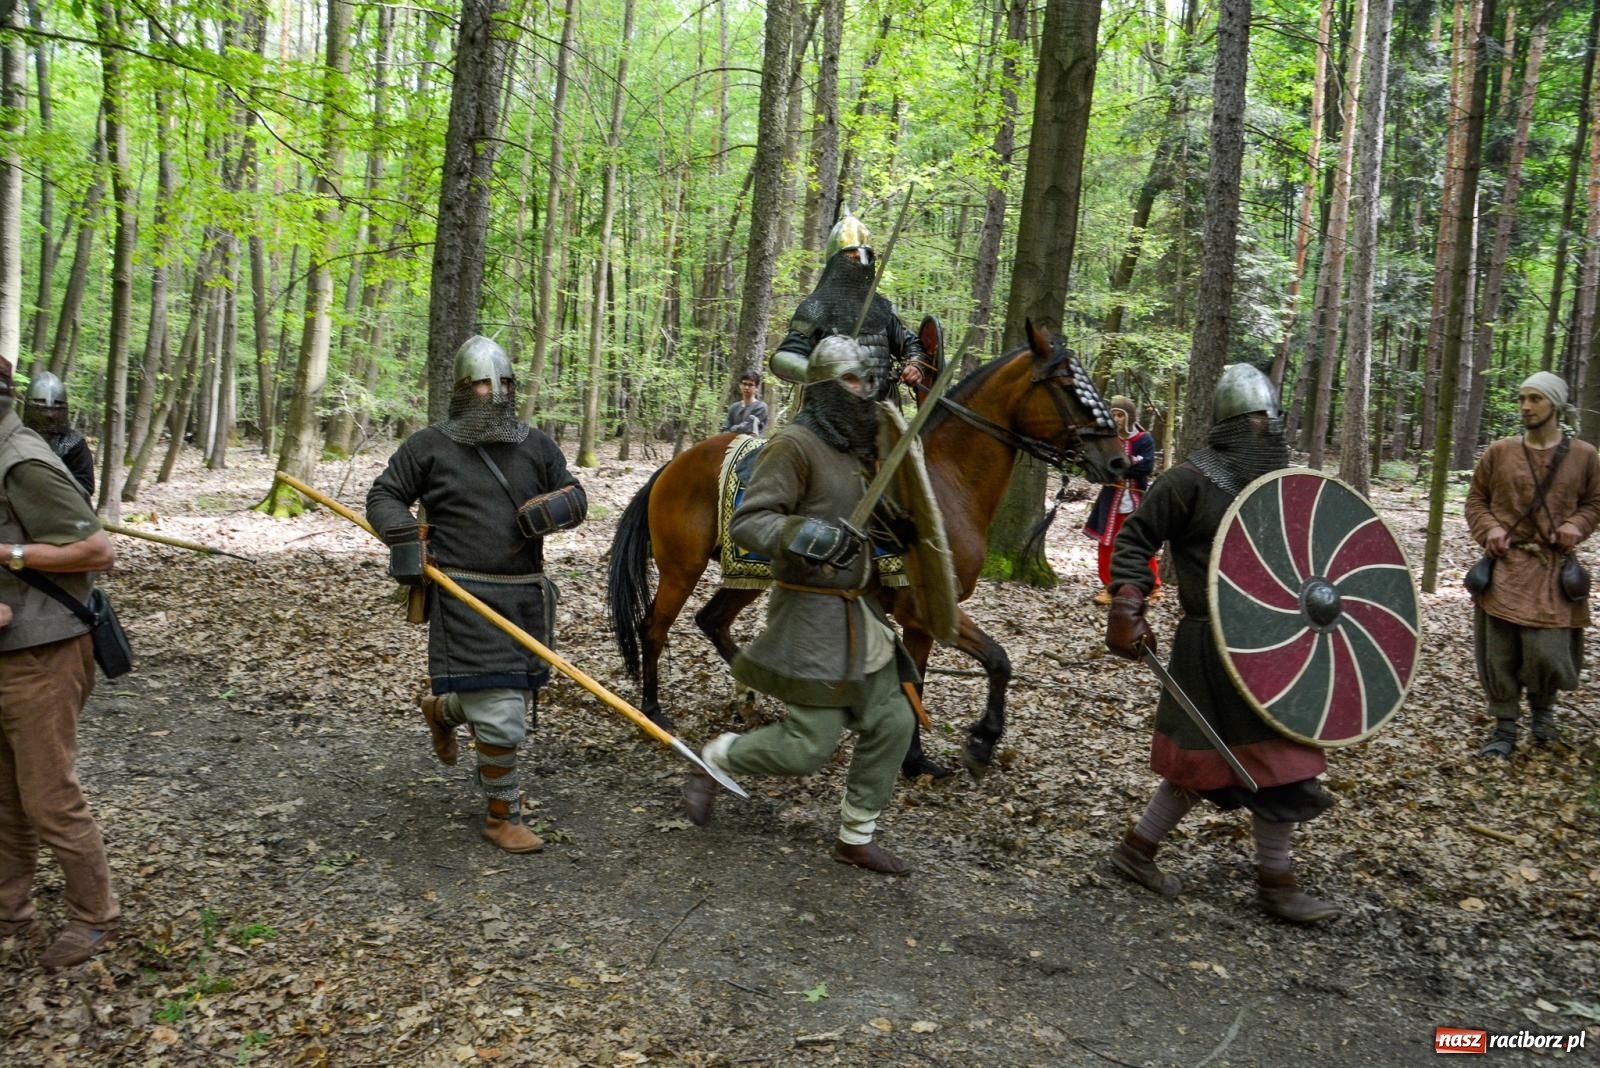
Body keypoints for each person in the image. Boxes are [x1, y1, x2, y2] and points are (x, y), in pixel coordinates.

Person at [1103, 363, 1339, 924]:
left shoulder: (1279, 485)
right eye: (1257, 417)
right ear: (1233, 424)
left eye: (1271, 417)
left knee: (1209, 761)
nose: (1267, 426)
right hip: (1212, 644)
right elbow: (1136, 538)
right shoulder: (1188, 481)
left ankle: (1136, 852)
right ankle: (1276, 883)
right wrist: (1126, 604)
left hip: (1275, 642)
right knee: (1277, 762)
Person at [682, 336, 921, 875]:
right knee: (807, 747)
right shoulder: (792, 444)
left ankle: (855, 837)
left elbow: (857, 516)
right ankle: (714, 760)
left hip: (860, 616)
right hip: (810, 616)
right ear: (825, 389)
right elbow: (750, 522)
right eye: (853, 381)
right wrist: (807, 534)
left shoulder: (861, 446)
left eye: (866, 380)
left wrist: (894, 526)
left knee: (894, 720)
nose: (865, 391)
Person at [367, 336, 589, 855]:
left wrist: (556, 508)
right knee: (501, 710)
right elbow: (385, 495)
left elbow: (576, 493)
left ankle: (441, 710)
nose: (496, 392)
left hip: (524, 596)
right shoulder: (428, 446)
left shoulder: (536, 445)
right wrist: (405, 538)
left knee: (503, 690)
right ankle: (500, 817)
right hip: (461, 593)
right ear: (464, 389)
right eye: (485, 383)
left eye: (504, 382)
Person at [0, 355, 121, 968]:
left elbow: (97, 549)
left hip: (43, 653)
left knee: (47, 795)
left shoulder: (23, 459)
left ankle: (94, 916)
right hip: (9, 648)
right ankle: (9, 910)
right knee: (4, 794)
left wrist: (11, 555)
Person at [1465, 372, 1600, 757]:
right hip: (1506, 567)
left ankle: (1543, 715)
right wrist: (1489, 528)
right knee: (1500, 651)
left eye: (1535, 399)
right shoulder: (1499, 452)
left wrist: (1577, 524)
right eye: (1522, 398)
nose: (1525, 406)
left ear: (1554, 405)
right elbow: (1476, 500)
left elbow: (1595, 502)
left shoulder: (1584, 456)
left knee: (1548, 651)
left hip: (1554, 571)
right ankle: (1504, 726)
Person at [768, 209, 937, 401]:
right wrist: (821, 373)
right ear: (836, 262)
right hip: (831, 411)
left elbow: (912, 345)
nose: (861, 264)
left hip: (881, 409)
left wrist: (915, 365)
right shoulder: (817, 306)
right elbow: (784, 358)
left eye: (865, 257)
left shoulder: (881, 308)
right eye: (853, 258)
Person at [1084, 396, 1161, 606]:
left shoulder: (1144, 440)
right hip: (1111, 502)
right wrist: (1123, 466)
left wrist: (1119, 467)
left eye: (1120, 415)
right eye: (1114, 415)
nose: (1116, 419)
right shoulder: (1109, 440)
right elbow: (1101, 466)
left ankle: (1154, 587)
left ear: (1129, 417)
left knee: (1140, 543)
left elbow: (1146, 467)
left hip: (1136, 500)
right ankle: (1109, 587)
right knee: (1107, 543)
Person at [22, 372, 94, 499]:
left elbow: (85, 487)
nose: (49, 414)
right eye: (41, 407)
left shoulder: (73, 444)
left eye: (56, 408)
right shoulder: (17, 439)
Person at [722, 372, 769, 437]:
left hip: (753, 443)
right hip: (731, 441)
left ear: (756, 388)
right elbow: (725, 428)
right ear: (740, 386)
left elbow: (747, 428)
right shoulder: (734, 407)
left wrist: (732, 429)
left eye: (750, 385)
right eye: (744, 384)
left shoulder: (761, 407)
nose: (746, 387)